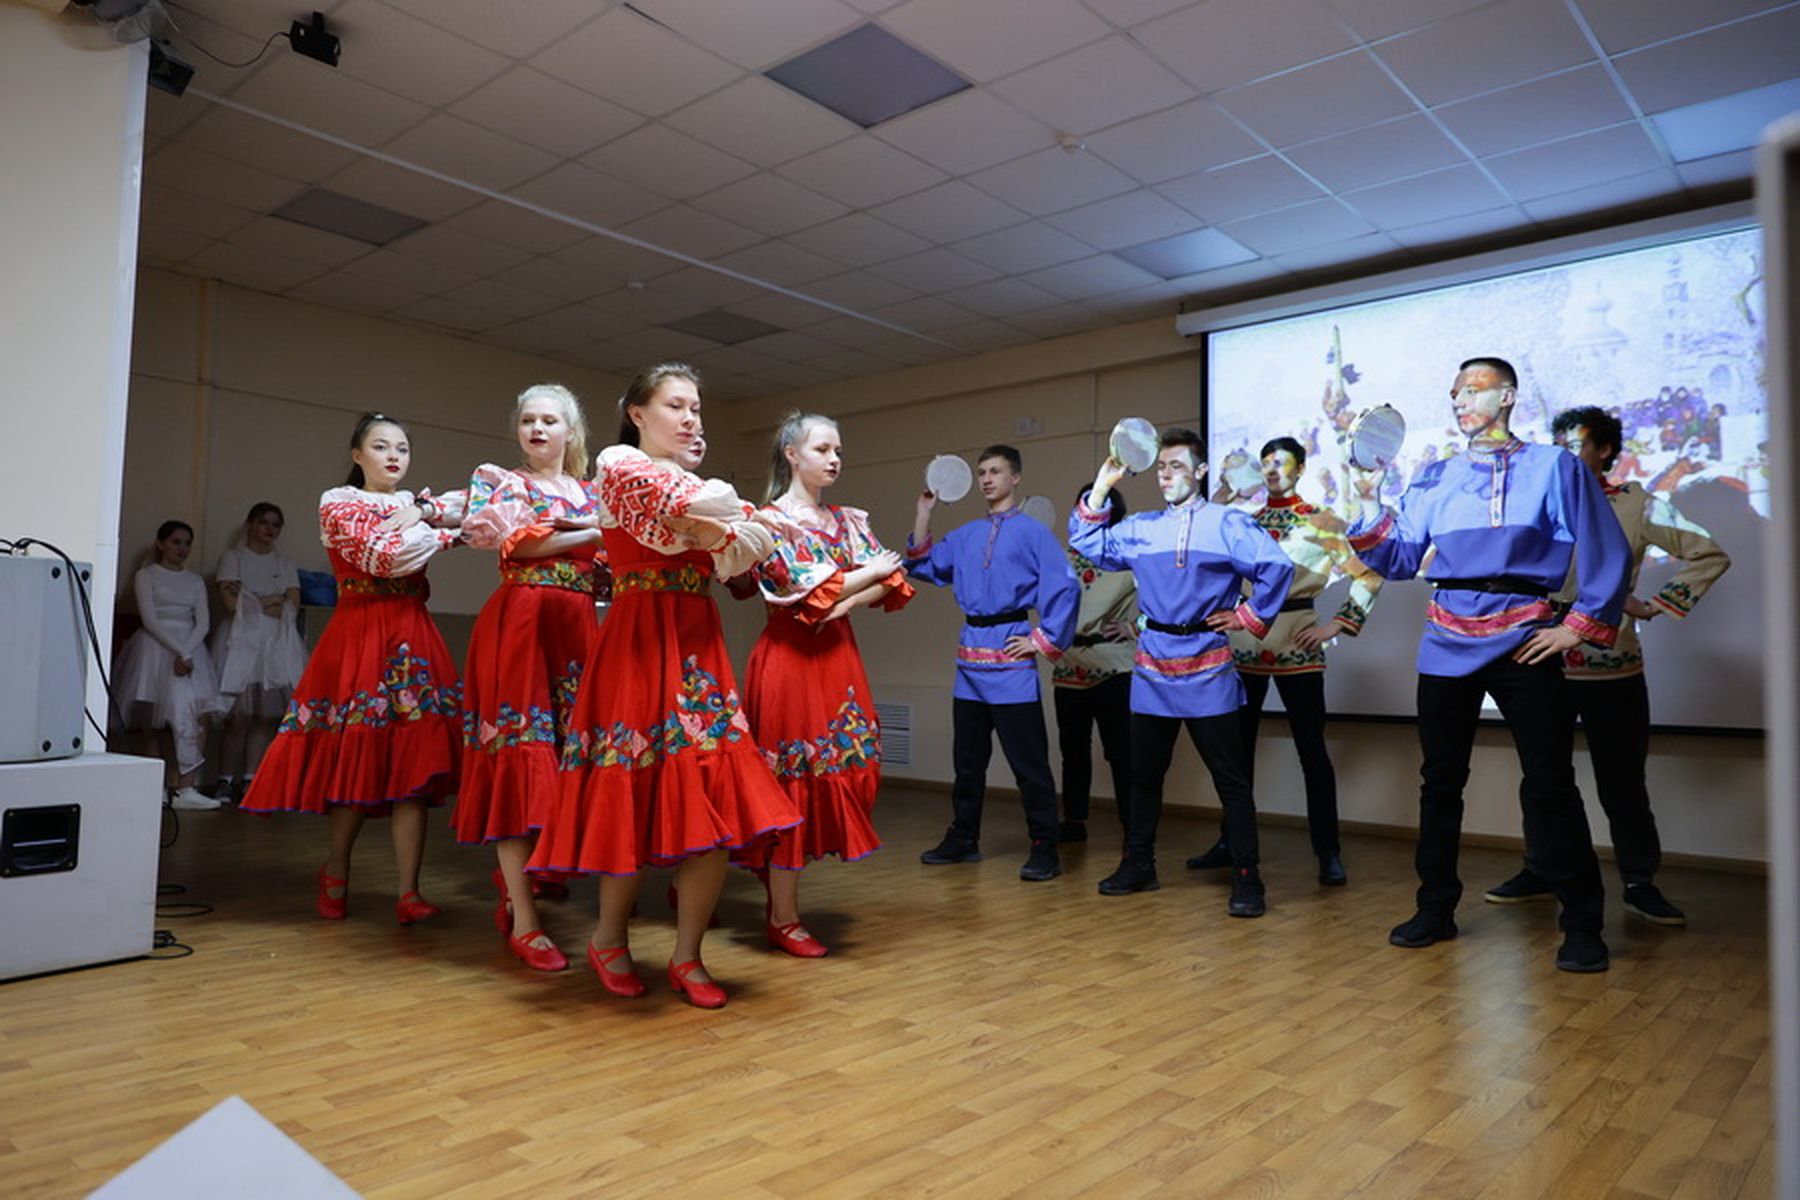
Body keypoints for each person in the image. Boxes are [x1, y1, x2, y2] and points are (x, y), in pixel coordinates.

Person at [1345, 357, 1631, 972]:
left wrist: (1576, 625)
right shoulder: (1433, 476)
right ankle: (1435, 909)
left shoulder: (1555, 466)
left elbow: (1608, 546)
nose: (1459, 402)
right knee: (1440, 782)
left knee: (1551, 783)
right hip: (1447, 636)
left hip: (1526, 633)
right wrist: (1370, 504)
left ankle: (1582, 925)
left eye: (1471, 390)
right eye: (1453, 394)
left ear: (1507, 397)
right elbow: (1397, 561)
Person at [530, 363, 800, 1009]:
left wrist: (735, 528)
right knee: (630, 798)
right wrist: (736, 524)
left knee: (712, 801)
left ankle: (687, 957)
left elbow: (741, 549)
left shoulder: (690, 481)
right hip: (636, 643)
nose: (690, 419)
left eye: (697, 409)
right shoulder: (622, 466)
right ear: (637, 413)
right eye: (676, 405)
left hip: (695, 645)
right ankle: (609, 938)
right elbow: (717, 524)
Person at [1484, 405, 1730, 925]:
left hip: (1611, 666)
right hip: (1539, 661)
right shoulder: (1533, 503)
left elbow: (1708, 553)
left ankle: (1640, 881)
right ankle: (1541, 868)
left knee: (1622, 780)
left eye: (1576, 445)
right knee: (1541, 777)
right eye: (1559, 445)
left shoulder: (1636, 504)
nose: (1565, 455)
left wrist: (1656, 603)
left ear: (1605, 452)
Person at [239, 413, 466, 927]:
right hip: (361, 633)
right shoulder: (338, 502)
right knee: (357, 761)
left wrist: (426, 509)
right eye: (381, 447)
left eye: (403, 449)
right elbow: (382, 557)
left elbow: (474, 506)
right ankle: (336, 870)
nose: (394, 457)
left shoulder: (415, 504)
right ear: (357, 455)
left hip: (412, 636)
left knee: (413, 767)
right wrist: (444, 533)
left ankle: (409, 891)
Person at [1071, 429, 1294, 917]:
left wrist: (1248, 617)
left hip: (1207, 664)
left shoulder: (1227, 523)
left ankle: (1246, 877)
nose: (1166, 474)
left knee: (1230, 779)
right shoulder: (1143, 527)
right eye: (1161, 467)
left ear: (1200, 471)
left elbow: (1277, 567)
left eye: (1176, 466)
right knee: (1144, 775)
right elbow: (1089, 543)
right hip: (1152, 664)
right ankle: (1138, 865)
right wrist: (1104, 487)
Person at [729, 412, 913, 957]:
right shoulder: (766, 521)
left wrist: (851, 598)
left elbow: (892, 581)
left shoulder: (847, 520)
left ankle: (767, 882)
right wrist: (866, 573)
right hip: (789, 659)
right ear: (792, 454)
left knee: (851, 769)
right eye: (823, 448)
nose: (835, 458)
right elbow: (804, 591)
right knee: (791, 781)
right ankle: (782, 916)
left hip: (838, 660)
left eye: (839, 450)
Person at [454, 383, 605, 973]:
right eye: (527, 420)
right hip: (519, 625)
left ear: (570, 432)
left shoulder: (589, 490)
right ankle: (524, 920)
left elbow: (610, 565)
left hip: (574, 629)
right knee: (520, 759)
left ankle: (528, 875)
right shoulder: (499, 481)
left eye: (548, 421)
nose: (537, 429)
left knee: (569, 758)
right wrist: (594, 532)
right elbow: (519, 544)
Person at [1190, 436, 1383, 885]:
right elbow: (1205, 559)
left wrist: (1336, 625)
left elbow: (1368, 576)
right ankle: (1229, 842)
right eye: (1266, 464)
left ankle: (1327, 851)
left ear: (1300, 470)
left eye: (1281, 464)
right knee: (1235, 754)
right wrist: (1220, 496)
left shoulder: (1322, 521)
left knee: (1312, 751)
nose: (1272, 470)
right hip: (1246, 646)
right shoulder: (1244, 522)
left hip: (1298, 644)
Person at [906, 444, 1079, 882]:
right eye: (982, 472)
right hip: (970, 662)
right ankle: (963, 838)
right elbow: (922, 566)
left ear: (1015, 478)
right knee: (967, 762)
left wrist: (1040, 639)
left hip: (1011, 659)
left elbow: (1066, 588)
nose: (986, 479)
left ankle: (1045, 846)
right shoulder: (964, 534)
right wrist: (924, 512)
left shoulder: (1035, 533)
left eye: (996, 471)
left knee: (1029, 764)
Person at [115, 520, 226, 810]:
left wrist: (188, 653)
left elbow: (203, 621)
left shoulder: (195, 581)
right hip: (155, 647)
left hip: (190, 648)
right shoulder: (146, 575)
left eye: (187, 543)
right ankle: (157, 787)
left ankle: (185, 788)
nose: (182, 549)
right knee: (152, 720)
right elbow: (149, 619)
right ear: (161, 544)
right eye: (176, 542)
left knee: (196, 715)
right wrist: (179, 651)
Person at [1050, 485, 1136, 845]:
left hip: (1114, 665)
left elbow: (1170, 593)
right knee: (1073, 749)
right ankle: (1074, 820)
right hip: (1069, 664)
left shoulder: (1128, 554)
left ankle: (1134, 826)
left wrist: (1136, 626)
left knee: (1121, 751)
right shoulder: (1064, 557)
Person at [210, 502, 308, 803]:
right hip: (241, 640)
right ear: (250, 524)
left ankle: (251, 778)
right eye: (264, 522)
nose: (270, 529)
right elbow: (230, 602)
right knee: (238, 717)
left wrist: (252, 599)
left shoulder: (284, 562)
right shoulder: (234, 557)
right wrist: (269, 601)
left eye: (276, 524)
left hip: (275, 642)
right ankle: (225, 779)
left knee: (264, 717)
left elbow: (292, 601)